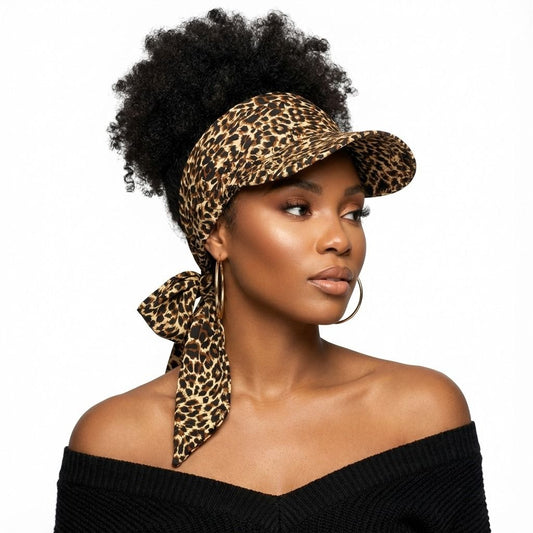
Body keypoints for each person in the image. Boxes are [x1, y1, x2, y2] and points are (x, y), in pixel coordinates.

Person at [54, 9, 490, 532]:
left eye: (353, 213)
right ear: (217, 232)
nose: (340, 238)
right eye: (298, 208)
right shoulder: (116, 442)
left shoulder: (420, 415)